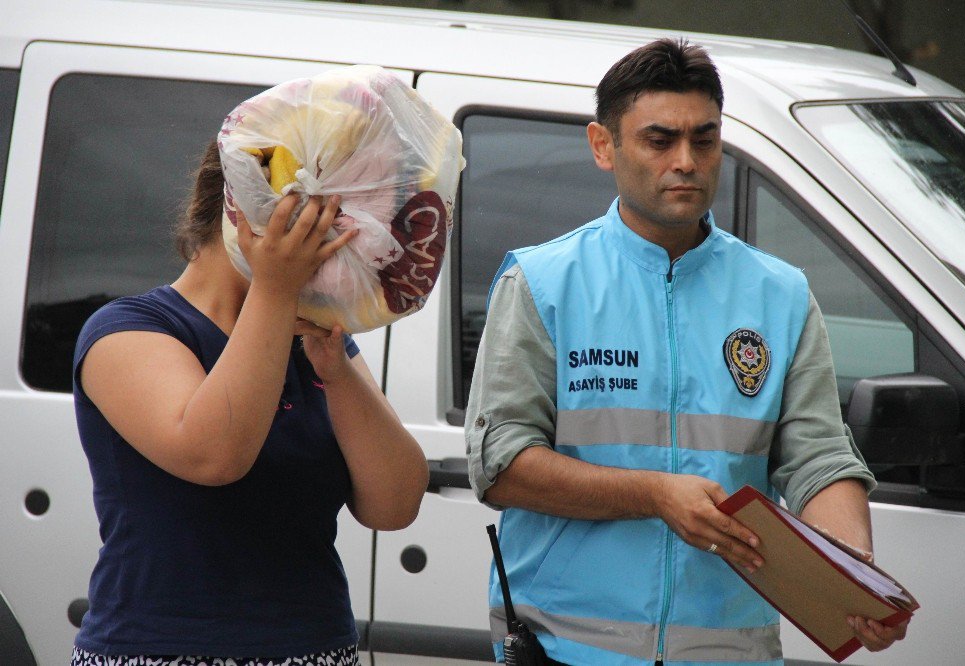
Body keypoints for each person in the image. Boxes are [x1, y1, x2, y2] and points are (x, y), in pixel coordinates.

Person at [466, 38, 908, 665]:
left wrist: (851, 575)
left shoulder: (779, 293)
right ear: (602, 145)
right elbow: (499, 463)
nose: (687, 161)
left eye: (705, 139)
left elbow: (818, 458)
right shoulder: (542, 282)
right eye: (659, 139)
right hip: (569, 652)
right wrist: (654, 494)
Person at [71, 140, 429, 665]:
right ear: (246, 213)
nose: (335, 244)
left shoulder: (313, 339)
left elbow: (394, 505)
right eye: (320, 222)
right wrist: (275, 289)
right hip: (161, 650)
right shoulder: (127, 329)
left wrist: (334, 366)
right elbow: (214, 455)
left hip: (314, 648)